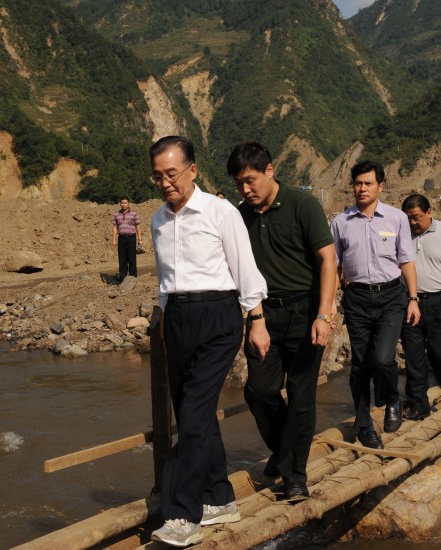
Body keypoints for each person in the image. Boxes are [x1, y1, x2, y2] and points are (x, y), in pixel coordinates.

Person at [149, 136, 270, 547]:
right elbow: (164, 277)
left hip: (218, 315)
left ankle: (183, 515)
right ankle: (219, 498)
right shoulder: (157, 220)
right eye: (158, 176)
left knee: (195, 414)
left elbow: (245, 267)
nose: (166, 182)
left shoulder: (221, 212)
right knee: (191, 412)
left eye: (172, 173)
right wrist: (164, 315)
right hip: (178, 318)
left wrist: (256, 320)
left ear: (192, 170)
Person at [227, 141, 337, 501]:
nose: (246, 189)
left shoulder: (302, 204)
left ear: (270, 170)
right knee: (258, 391)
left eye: (251, 180)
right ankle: (285, 450)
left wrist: (324, 313)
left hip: (304, 311)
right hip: (262, 314)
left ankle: (295, 476)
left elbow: (328, 260)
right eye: (239, 184)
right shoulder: (240, 216)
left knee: (302, 394)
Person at [331, 161, 420, 450]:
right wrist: (330, 303)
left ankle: (392, 398)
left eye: (368, 183)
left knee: (383, 358)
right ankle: (364, 422)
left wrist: (413, 299)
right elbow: (335, 267)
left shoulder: (396, 218)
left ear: (380, 186)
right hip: (357, 298)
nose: (362, 188)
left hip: (391, 296)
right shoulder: (341, 222)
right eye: (358, 183)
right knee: (360, 364)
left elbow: (406, 260)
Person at [401, 194, 441, 419]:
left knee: (438, 354)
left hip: (438, 302)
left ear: (429, 212)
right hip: (409, 303)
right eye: (408, 218)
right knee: (414, 357)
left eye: (416, 217)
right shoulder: (403, 234)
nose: (413, 222)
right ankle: (418, 406)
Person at [111, 196, 142, 281]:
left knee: (132, 258)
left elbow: (138, 226)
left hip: (131, 238)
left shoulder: (134, 214)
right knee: (122, 258)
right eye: (122, 203)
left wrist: (140, 239)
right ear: (120, 204)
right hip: (121, 238)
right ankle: (122, 276)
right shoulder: (116, 215)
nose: (123, 204)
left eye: (125, 203)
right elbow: (115, 227)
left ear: (128, 203)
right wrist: (114, 240)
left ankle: (132, 277)